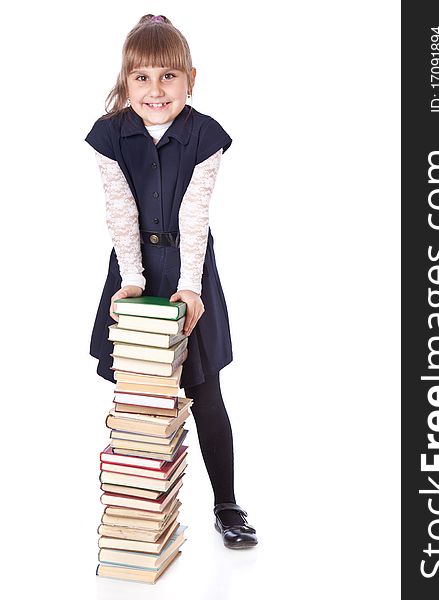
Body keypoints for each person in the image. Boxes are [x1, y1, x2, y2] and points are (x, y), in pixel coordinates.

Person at [84, 14, 257, 549]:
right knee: (139, 395)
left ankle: (226, 504)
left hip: (190, 272)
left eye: (168, 77)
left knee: (205, 395)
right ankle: (139, 511)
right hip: (134, 271)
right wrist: (132, 280)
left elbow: (194, 215)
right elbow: (120, 212)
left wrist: (189, 289)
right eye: (142, 78)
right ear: (126, 80)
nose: (156, 91)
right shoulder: (109, 135)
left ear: (190, 79)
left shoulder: (205, 135)